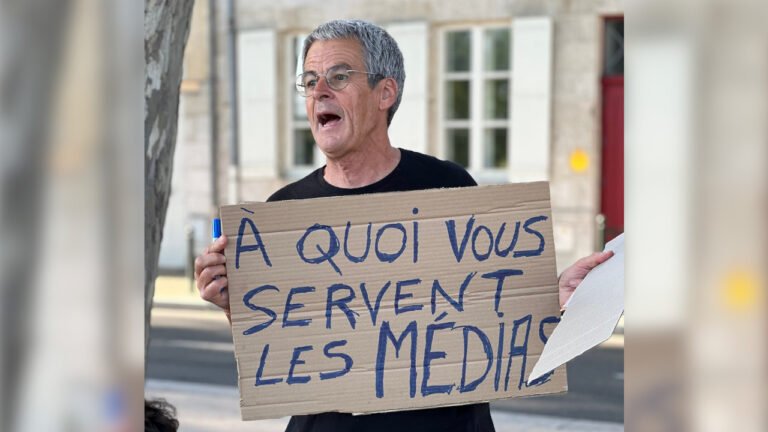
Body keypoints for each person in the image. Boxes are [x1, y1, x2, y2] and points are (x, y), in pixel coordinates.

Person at [194, 19, 613, 432]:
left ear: (385, 92)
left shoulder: (446, 186)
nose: (319, 91)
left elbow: (488, 315)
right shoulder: (284, 213)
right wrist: (238, 306)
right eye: (309, 80)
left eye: (338, 77)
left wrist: (549, 297)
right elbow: (281, 348)